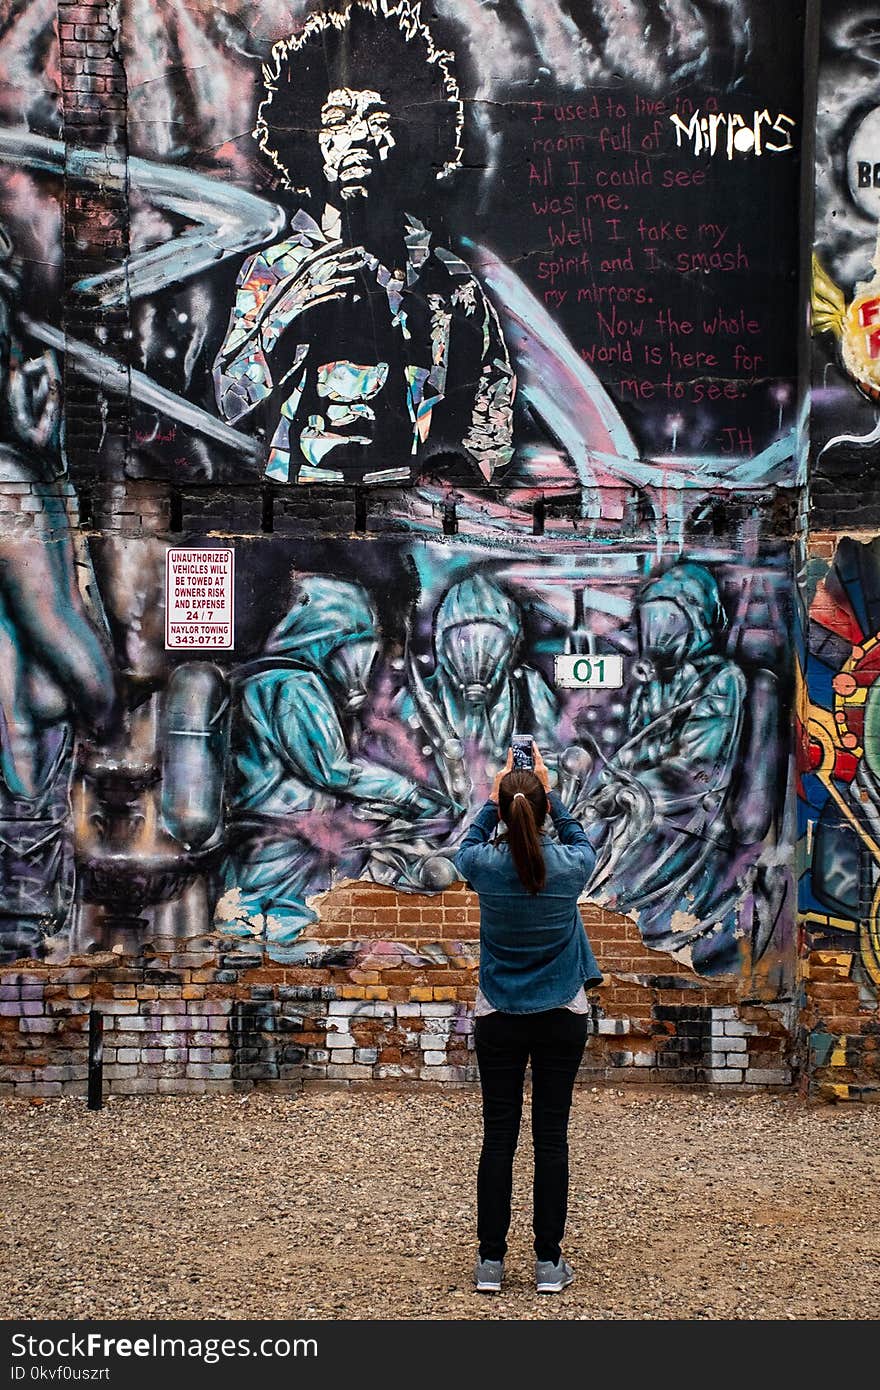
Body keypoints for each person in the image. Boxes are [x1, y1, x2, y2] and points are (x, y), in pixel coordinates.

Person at [212, 0, 515, 488]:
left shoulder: (447, 280)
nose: (356, 137)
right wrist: (289, 312)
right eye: (337, 121)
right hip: (296, 497)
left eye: (376, 119)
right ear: (309, 140)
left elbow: (491, 394)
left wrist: (468, 479)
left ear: (411, 136)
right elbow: (229, 401)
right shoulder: (273, 269)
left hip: (406, 509)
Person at [216, 575, 451, 949]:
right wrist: (408, 794)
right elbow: (331, 771)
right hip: (277, 844)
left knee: (262, 940)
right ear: (330, 640)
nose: (364, 663)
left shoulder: (268, 680)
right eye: (360, 648)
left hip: (272, 839)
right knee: (271, 939)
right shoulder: (293, 686)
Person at [453, 743, 603, 1296]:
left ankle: (490, 1263)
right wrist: (549, 793)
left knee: (498, 1139)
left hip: (500, 1015)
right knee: (551, 1140)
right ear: (543, 811)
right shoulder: (570, 868)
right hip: (562, 1013)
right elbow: (581, 839)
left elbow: (466, 845)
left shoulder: (484, 870)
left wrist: (498, 798)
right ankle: (547, 1264)